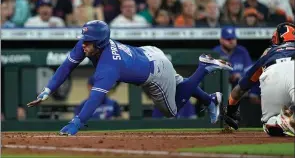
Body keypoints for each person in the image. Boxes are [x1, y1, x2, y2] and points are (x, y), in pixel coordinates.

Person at [27, 20, 232, 136]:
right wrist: (47, 91)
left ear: (98, 44)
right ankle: (210, 99)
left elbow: (95, 99)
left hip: (155, 72)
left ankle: (203, 68)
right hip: (149, 54)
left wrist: (76, 123)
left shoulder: (108, 67)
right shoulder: (90, 45)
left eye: (88, 42)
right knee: (178, 83)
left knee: (173, 110)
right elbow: (66, 67)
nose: (83, 45)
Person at [225, 22, 295, 137]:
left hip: (270, 75)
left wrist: (230, 109)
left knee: (270, 122)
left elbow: (240, 89)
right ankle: (289, 117)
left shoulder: (267, 53)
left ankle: (276, 121)